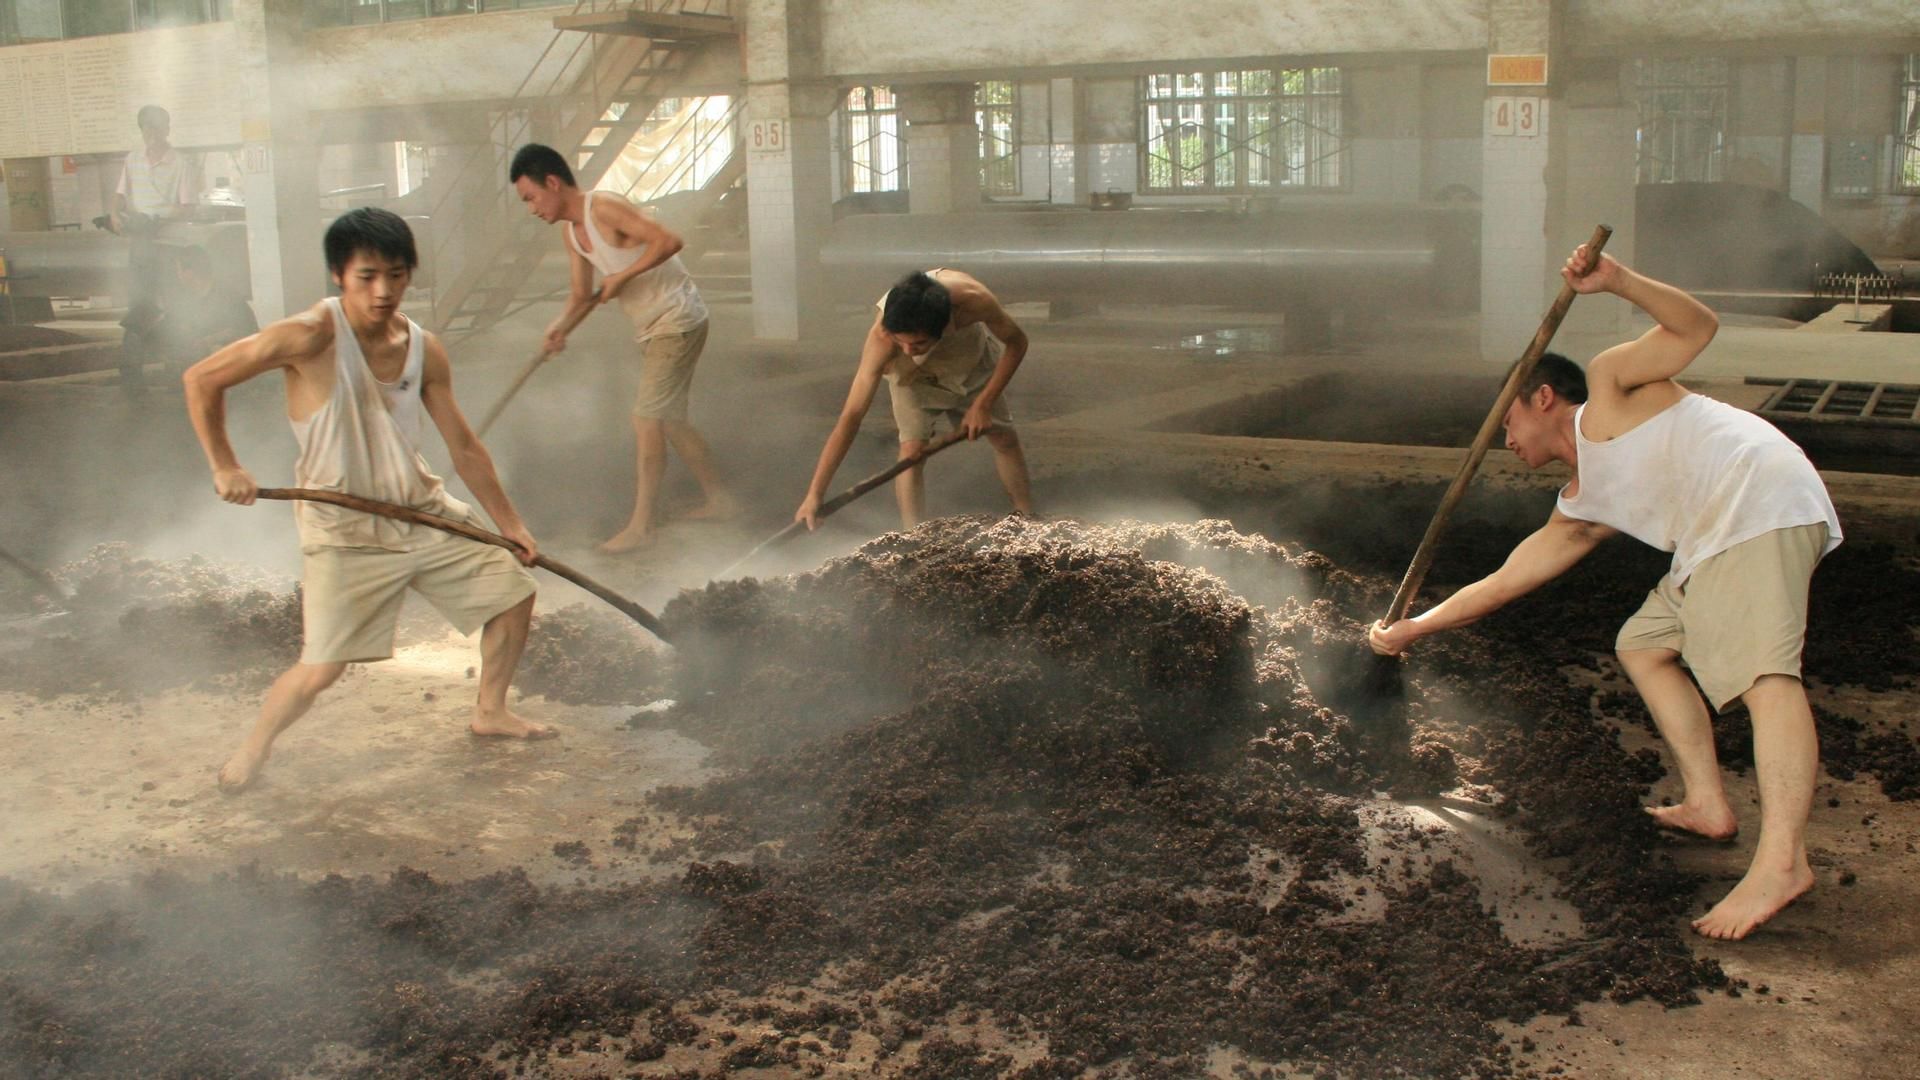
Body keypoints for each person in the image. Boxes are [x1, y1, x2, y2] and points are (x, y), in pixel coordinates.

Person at [1369, 245, 1842, 941]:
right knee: (1643, 644)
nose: (1507, 440)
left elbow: (1696, 329)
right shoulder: (1581, 507)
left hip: (1755, 501)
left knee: (1766, 678)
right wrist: (1414, 629)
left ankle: (1781, 864)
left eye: (1509, 423)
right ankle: (1709, 804)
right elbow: (1501, 583)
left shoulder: (1612, 383)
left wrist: (1617, 282)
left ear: (1543, 397)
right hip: (1712, 540)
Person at [183, 208, 552, 794]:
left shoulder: (424, 349)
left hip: (419, 510)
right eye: (367, 276)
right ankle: (254, 748)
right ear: (338, 275)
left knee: (512, 592)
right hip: (342, 525)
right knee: (321, 669)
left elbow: (464, 446)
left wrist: (512, 525)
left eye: (397, 275)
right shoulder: (309, 335)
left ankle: (489, 710)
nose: (383, 291)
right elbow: (201, 379)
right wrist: (225, 464)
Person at [508, 143, 734, 552]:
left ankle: (641, 527)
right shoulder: (572, 234)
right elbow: (581, 294)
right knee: (669, 421)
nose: (531, 208)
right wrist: (559, 329)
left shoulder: (604, 208)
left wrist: (623, 276)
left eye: (531, 197)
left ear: (553, 183)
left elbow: (668, 241)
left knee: (646, 420)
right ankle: (721, 500)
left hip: (677, 319)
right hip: (653, 327)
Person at [794, 269, 1034, 532]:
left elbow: (1017, 343)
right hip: (911, 376)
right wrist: (815, 493)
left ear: (942, 326)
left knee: (1004, 438)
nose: (909, 349)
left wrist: (984, 404)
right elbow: (851, 417)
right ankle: (914, 535)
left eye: (918, 343)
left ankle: (1027, 518)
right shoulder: (884, 339)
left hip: (970, 359)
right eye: (902, 342)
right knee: (911, 452)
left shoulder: (974, 300)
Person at [112, 105, 201, 389]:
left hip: (170, 244)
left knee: (174, 301)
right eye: (147, 128)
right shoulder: (133, 159)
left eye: (157, 127)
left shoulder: (182, 162)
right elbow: (120, 195)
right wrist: (115, 215)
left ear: (167, 129)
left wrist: (157, 218)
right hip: (141, 242)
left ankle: (179, 363)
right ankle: (131, 366)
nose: (152, 133)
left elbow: (187, 207)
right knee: (139, 301)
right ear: (142, 131)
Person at [146, 245, 258, 371]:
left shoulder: (228, 297)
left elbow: (245, 330)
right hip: (200, 367)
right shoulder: (188, 300)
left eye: (179, 270)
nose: (178, 275)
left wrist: (209, 340)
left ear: (190, 273)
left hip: (235, 368)